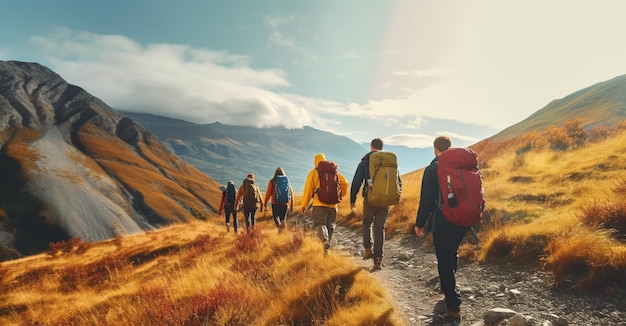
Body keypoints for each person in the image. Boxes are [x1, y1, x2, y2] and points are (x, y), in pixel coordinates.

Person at [414, 135, 470, 322]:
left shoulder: (433, 169)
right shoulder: (462, 166)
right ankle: (448, 288)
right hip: (464, 219)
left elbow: (427, 200)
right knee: (451, 251)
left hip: (444, 220)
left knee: (444, 259)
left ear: (435, 149)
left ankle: (453, 305)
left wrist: (420, 223)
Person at [350, 138, 402, 271]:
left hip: (370, 199)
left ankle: (368, 249)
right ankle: (378, 259)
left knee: (367, 222)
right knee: (379, 227)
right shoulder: (389, 162)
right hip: (385, 200)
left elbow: (357, 181)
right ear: (381, 147)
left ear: (371, 146)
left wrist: (352, 199)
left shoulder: (365, 161)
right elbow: (399, 182)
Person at [300, 153, 348, 253]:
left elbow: (308, 190)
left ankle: (325, 240)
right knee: (330, 226)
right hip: (333, 205)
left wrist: (304, 205)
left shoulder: (314, 172)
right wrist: (340, 195)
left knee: (320, 224)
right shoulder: (334, 172)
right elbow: (345, 183)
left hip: (319, 204)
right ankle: (326, 250)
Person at [264, 167, 295, 232]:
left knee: (276, 217)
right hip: (285, 203)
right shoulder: (286, 181)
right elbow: (291, 192)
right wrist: (292, 204)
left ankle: (279, 227)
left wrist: (265, 203)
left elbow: (268, 193)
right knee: (283, 218)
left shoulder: (272, 181)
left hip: (275, 203)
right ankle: (282, 225)